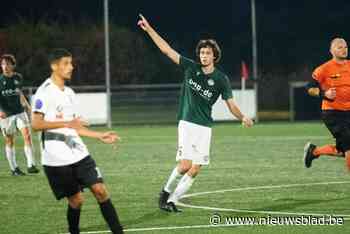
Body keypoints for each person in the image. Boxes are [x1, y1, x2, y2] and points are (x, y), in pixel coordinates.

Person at [138, 14, 254, 212]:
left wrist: (242, 116)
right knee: (184, 165)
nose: (203, 56)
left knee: (196, 167)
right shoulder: (190, 68)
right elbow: (167, 50)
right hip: (187, 123)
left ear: (214, 56)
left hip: (204, 127)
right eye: (201, 53)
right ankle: (164, 193)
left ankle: (173, 200)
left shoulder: (221, 79)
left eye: (207, 53)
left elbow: (231, 104)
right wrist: (149, 30)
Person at [31, 49, 123, 234]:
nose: (71, 67)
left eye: (71, 63)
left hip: (79, 153)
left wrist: (100, 136)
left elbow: (76, 127)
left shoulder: (70, 93)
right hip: (56, 159)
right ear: (54, 66)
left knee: (100, 190)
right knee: (76, 200)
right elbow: (36, 124)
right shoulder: (44, 93)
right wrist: (66, 122)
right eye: (66, 63)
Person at [304, 38, 350, 169]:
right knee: (349, 146)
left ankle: (315, 151)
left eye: (345, 47)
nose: (343, 49)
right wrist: (324, 94)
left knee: (342, 150)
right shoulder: (324, 69)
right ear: (331, 51)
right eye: (339, 47)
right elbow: (309, 88)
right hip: (333, 113)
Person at [0, 54, 39, 175]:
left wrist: (28, 107)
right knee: (10, 141)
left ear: (13, 65)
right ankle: (14, 168)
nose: (5, 66)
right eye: (3, 64)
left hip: (20, 112)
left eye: (8, 64)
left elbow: (19, 93)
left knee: (27, 135)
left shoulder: (18, 77)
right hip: (6, 115)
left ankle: (31, 164)